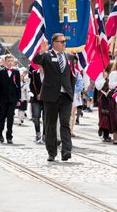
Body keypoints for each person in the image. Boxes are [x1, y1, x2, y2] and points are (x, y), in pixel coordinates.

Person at [33, 34, 76, 162]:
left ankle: (66, 150)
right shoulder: (47, 55)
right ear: (54, 43)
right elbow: (36, 61)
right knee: (50, 125)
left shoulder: (70, 57)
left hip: (65, 96)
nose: (64, 43)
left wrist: (71, 92)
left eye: (64, 41)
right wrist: (42, 51)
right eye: (61, 41)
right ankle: (51, 152)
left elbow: (72, 76)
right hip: (51, 96)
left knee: (65, 123)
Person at [95, 58, 117, 144]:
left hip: (111, 97)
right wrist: (104, 79)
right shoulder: (104, 74)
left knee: (110, 116)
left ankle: (110, 132)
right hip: (103, 96)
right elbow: (100, 86)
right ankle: (104, 131)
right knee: (104, 115)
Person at [0, 54, 21, 144]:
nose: (10, 63)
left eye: (11, 61)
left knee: (10, 118)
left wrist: (18, 99)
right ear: (5, 62)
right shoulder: (1, 72)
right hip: (3, 99)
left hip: (13, 99)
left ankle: (9, 136)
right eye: (8, 61)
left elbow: (18, 86)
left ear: (13, 62)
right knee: (2, 116)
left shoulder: (16, 72)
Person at [29, 65, 44, 143]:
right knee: (36, 117)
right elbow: (31, 85)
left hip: (46, 100)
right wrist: (36, 94)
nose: (41, 68)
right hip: (36, 99)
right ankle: (38, 134)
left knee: (46, 119)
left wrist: (43, 94)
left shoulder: (49, 73)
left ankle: (44, 136)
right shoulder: (34, 73)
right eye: (40, 66)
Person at [70, 60, 83, 137]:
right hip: (66, 94)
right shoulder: (66, 71)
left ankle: (71, 130)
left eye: (75, 63)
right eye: (73, 62)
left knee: (72, 114)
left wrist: (74, 88)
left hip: (74, 95)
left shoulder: (77, 72)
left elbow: (80, 84)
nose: (74, 64)